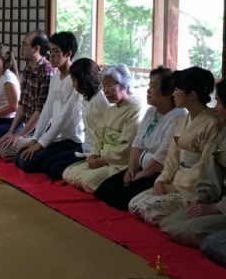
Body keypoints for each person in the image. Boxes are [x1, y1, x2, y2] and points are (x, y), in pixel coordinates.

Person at [128, 66, 220, 226]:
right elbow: (172, 157)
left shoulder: (212, 123)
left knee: (149, 211)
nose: (173, 93)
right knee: (134, 205)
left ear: (191, 95)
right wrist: (162, 180)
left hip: (193, 187)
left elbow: (205, 165)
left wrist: (176, 187)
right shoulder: (182, 120)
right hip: (175, 181)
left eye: (177, 89)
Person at [93, 67, 187, 210]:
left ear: (168, 92)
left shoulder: (178, 115)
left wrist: (141, 174)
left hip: (157, 172)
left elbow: (162, 156)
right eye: (149, 85)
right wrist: (132, 168)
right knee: (104, 190)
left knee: (121, 199)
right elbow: (137, 142)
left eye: (153, 86)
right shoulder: (151, 111)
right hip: (140, 168)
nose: (148, 90)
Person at [159, 79, 226, 247]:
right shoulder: (223, 133)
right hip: (215, 200)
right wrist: (202, 197)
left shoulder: (212, 124)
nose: (216, 108)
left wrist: (216, 208)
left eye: (219, 102)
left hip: (222, 207)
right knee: (169, 223)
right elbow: (210, 172)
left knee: (188, 229)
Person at [62, 64, 142, 193]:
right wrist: (93, 155)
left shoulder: (136, 109)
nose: (106, 91)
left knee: (88, 181)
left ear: (125, 85)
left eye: (110, 86)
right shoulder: (112, 109)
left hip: (116, 163)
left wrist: (103, 160)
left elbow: (127, 146)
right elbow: (99, 137)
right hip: (100, 157)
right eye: (104, 86)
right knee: (67, 172)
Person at [13, 32, 84, 173]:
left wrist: (40, 144)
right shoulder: (56, 78)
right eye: (50, 51)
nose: (51, 56)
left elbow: (63, 119)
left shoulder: (73, 81)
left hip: (71, 140)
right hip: (56, 138)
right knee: (18, 158)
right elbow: (47, 110)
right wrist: (35, 139)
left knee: (30, 163)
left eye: (56, 52)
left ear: (68, 54)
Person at [41, 58, 111, 180]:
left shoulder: (101, 99)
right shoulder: (85, 96)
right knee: (46, 164)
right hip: (86, 147)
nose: (73, 85)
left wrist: (97, 156)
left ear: (84, 80)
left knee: (53, 169)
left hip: (96, 152)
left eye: (74, 80)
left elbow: (107, 132)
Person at [0, 30, 55, 161]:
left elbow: (41, 111)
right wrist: (11, 132)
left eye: (24, 44)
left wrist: (20, 135)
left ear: (36, 49)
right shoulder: (28, 69)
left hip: (41, 131)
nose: (21, 48)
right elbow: (22, 104)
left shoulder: (47, 71)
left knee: (5, 151)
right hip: (28, 128)